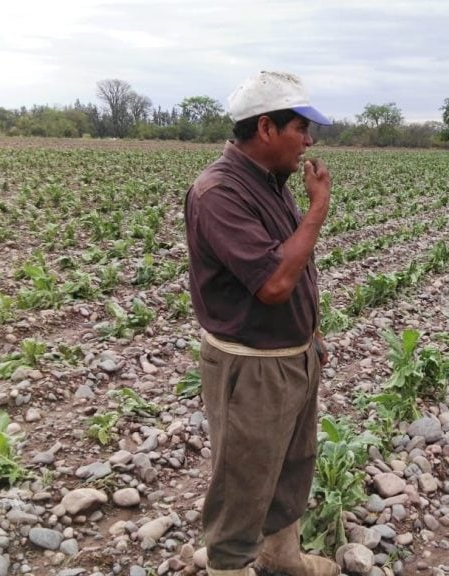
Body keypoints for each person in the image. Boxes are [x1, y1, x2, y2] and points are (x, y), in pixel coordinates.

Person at [184, 71, 339, 576]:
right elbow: (273, 283)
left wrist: (311, 336)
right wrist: (317, 210)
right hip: (250, 369)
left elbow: (294, 267)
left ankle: (281, 555)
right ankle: (228, 565)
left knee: (293, 465)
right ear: (267, 128)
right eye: (301, 128)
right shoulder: (218, 193)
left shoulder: (272, 184)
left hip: (292, 356)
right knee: (243, 478)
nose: (309, 141)